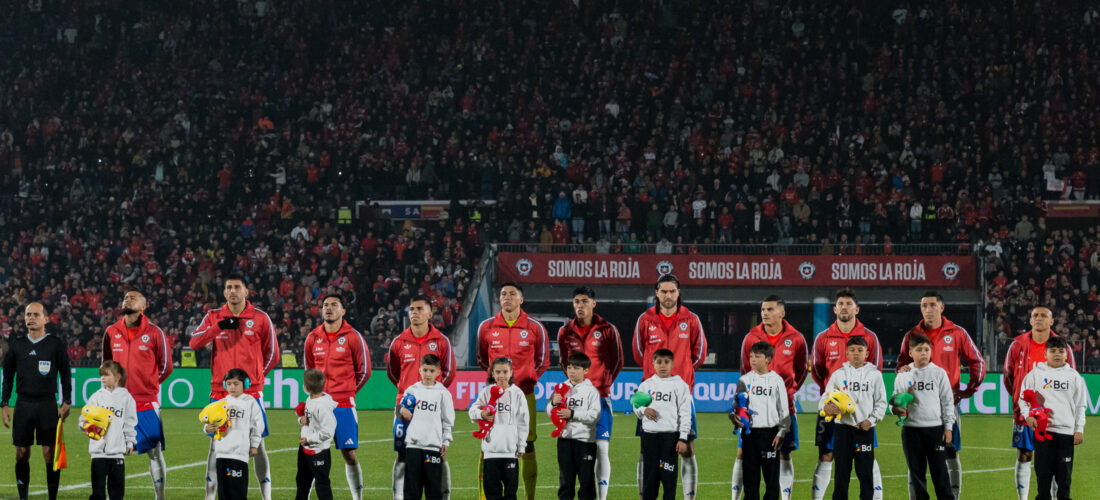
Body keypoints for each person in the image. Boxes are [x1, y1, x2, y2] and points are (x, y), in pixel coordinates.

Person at [189, 273, 280, 500]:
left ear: (246, 292)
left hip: (251, 393)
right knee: (214, 446)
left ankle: (266, 496)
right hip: (220, 394)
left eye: (237, 287)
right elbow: (194, 342)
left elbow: (273, 354)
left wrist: (254, 380)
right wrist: (218, 327)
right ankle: (209, 497)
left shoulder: (260, 318)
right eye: (229, 287)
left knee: (259, 446)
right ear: (224, 292)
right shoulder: (213, 316)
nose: (232, 291)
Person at [896, 290, 986, 499]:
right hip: (917, 410)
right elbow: (901, 365)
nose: (928, 309)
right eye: (924, 305)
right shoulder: (912, 334)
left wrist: (970, 389)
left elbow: (977, 362)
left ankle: (954, 495)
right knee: (915, 459)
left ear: (941, 307)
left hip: (946, 407)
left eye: (932, 305)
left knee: (951, 451)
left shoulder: (957, 333)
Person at [632, 275, 707, 499]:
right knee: (646, 451)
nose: (668, 296)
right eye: (663, 291)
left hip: (681, 394)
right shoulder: (645, 320)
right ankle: (644, 495)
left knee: (687, 447)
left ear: (678, 292)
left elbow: (700, 353)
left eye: (672, 291)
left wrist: (680, 374)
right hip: (650, 395)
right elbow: (638, 353)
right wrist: (656, 378)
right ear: (656, 292)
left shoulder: (691, 319)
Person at [476, 282, 549, 500]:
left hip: (524, 396)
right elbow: (482, 359)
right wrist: (499, 383)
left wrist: (523, 381)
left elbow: (543, 361)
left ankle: (529, 497)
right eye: (503, 294)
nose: (506, 297)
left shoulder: (535, 327)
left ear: (521, 299)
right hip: (494, 397)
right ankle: (483, 497)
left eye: (512, 294)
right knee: (487, 444)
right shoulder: (486, 327)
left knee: (527, 445)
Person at [809, 288, 883, 500]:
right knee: (826, 455)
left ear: (856, 309)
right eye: (840, 303)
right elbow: (817, 371)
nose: (844, 307)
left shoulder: (869, 337)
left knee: (867, 457)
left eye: (849, 304)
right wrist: (831, 400)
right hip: (831, 409)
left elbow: (874, 370)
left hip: (861, 414)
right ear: (834, 309)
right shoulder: (823, 337)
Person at [101, 290, 172, 499]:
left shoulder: (155, 332)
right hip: (118, 403)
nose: (127, 299)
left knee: (154, 451)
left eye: (133, 297)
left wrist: (148, 385)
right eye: (125, 297)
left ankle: (160, 497)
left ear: (144, 306)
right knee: (111, 453)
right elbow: (106, 365)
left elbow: (166, 366)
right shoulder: (112, 331)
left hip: (146, 402)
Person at [736, 296, 806, 500]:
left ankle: (784, 498)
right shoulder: (751, 337)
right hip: (753, 414)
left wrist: (788, 391)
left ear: (782, 313)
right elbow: (744, 369)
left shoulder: (796, 338)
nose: (764, 313)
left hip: (784, 410)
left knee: (784, 453)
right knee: (743, 455)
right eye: (762, 309)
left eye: (769, 309)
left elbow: (801, 370)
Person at [556, 286, 623, 500]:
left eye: (584, 301)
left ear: (594, 303)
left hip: (601, 399)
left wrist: (603, 383)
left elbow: (617, 361)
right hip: (574, 403)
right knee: (575, 454)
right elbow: (563, 363)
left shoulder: (607, 329)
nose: (580, 305)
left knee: (601, 449)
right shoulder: (565, 331)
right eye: (576, 301)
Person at [387, 295, 456, 500]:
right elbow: (394, 373)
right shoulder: (399, 342)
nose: (413, 312)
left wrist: (432, 394)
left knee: (438, 453)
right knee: (402, 453)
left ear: (429, 313)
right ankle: (399, 497)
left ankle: (444, 495)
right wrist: (407, 393)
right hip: (405, 408)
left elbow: (449, 373)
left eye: (418, 308)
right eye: (411, 309)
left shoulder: (441, 341)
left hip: (432, 406)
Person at [1003, 306, 1076, 500]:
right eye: (1035, 315)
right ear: (1030, 320)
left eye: (1044, 315)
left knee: (1054, 461)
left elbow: (1071, 379)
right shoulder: (1017, 344)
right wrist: (1023, 402)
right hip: (1026, 415)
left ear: (1052, 321)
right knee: (1024, 454)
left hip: (1055, 417)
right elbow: (1008, 377)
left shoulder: (1063, 346)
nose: (1039, 318)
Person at [1, 302, 72, 500]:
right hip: (23, 404)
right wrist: (4, 403)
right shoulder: (17, 344)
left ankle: (52, 497)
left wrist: (67, 400)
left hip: (47, 404)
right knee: (21, 452)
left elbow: (66, 374)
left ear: (46, 319)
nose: (31, 318)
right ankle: (23, 497)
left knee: (50, 453)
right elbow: (7, 376)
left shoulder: (55, 344)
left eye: (35, 314)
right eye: (28, 314)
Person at [303, 293, 371, 499]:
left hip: (343, 405)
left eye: (334, 305)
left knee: (349, 454)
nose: (329, 308)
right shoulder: (312, 338)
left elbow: (365, 371)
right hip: (317, 406)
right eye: (325, 305)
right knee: (313, 455)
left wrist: (347, 391)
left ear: (343, 311)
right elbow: (309, 371)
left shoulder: (353, 337)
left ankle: (357, 498)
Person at [1017, 336, 1086, 500]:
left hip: (1066, 435)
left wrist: (1079, 430)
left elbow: (1080, 406)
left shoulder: (1074, 376)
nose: (1057, 354)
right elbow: (1022, 398)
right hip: (1043, 433)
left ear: (1066, 355)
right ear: (1045, 354)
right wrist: (1027, 416)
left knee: (1064, 478)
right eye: (1053, 351)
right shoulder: (1036, 374)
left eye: (1061, 351)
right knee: (1043, 476)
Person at [820, 336, 887, 500]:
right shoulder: (838, 374)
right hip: (842, 430)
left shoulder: (875, 375)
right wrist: (826, 407)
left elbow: (881, 402)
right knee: (841, 473)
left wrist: (870, 421)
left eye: (860, 350)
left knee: (865, 474)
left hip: (864, 430)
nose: (856, 353)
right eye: (852, 350)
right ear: (846, 353)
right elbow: (825, 398)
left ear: (867, 353)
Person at [892, 334, 954, 500]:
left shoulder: (939, 373)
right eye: (919, 349)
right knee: (917, 478)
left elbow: (947, 402)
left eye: (927, 349)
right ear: (911, 352)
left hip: (935, 430)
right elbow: (896, 400)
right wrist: (897, 409)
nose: (924, 353)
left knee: (941, 475)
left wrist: (948, 427)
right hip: (911, 431)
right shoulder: (903, 375)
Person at [734, 342, 790, 500]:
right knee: (750, 477)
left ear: (768, 359)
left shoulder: (776, 380)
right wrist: (736, 417)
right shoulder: (744, 380)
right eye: (751, 356)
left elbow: (784, 409)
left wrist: (781, 432)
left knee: (771, 477)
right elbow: (737, 406)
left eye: (757, 357)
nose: (753, 360)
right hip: (749, 434)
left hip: (770, 435)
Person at [634, 349, 693, 500]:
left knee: (669, 480)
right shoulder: (646, 385)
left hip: (670, 438)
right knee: (650, 480)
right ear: (653, 363)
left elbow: (685, 414)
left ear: (672, 363)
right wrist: (644, 410)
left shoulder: (680, 385)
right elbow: (635, 406)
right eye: (659, 362)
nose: (663, 365)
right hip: (649, 437)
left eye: (666, 362)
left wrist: (683, 438)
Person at [469, 357, 530, 500]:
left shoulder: (518, 394)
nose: (501, 375)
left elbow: (523, 422)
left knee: (510, 494)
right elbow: (472, 411)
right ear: (492, 374)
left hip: (510, 453)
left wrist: (521, 446)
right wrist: (481, 414)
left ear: (511, 373)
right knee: (492, 494)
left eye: (505, 371)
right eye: (498, 372)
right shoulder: (486, 392)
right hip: (491, 453)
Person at [400, 354, 455, 500]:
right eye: (425, 370)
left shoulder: (443, 393)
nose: (428, 374)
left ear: (438, 372)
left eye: (431, 371)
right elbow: (403, 411)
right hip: (413, 445)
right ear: (419, 370)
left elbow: (448, 420)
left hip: (433, 446)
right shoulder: (412, 390)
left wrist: (446, 441)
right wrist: (402, 411)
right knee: (412, 488)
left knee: (433, 488)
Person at [80, 360, 137, 500]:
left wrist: (130, 443)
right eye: (101, 375)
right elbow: (83, 419)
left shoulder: (127, 398)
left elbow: (130, 423)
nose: (102, 378)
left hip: (117, 454)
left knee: (117, 494)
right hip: (98, 454)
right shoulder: (97, 397)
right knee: (98, 494)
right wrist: (85, 425)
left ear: (117, 377)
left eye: (107, 375)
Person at [206, 368, 265, 500]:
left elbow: (258, 425)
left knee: (237, 492)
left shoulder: (250, 402)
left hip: (239, 454)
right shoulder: (222, 403)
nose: (232, 387)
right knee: (223, 493)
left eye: (236, 383)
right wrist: (207, 428)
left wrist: (254, 445)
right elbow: (210, 420)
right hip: (221, 453)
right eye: (229, 384)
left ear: (246, 384)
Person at [549, 353, 600, 500]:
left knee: (586, 482)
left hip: (585, 442)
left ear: (586, 370)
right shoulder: (561, 388)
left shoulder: (591, 391)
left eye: (576, 368)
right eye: (569, 367)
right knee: (565, 481)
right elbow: (549, 412)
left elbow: (594, 415)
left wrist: (572, 413)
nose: (571, 371)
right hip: (564, 440)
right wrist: (553, 404)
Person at [296, 368, 338, 500]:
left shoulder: (323, 406)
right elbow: (308, 420)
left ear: (306, 387)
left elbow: (328, 431)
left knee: (322, 484)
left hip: (318, 451)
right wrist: (301, 419)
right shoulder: (311, 399)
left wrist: (309, 439)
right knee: (302, 480)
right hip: (305, 449)